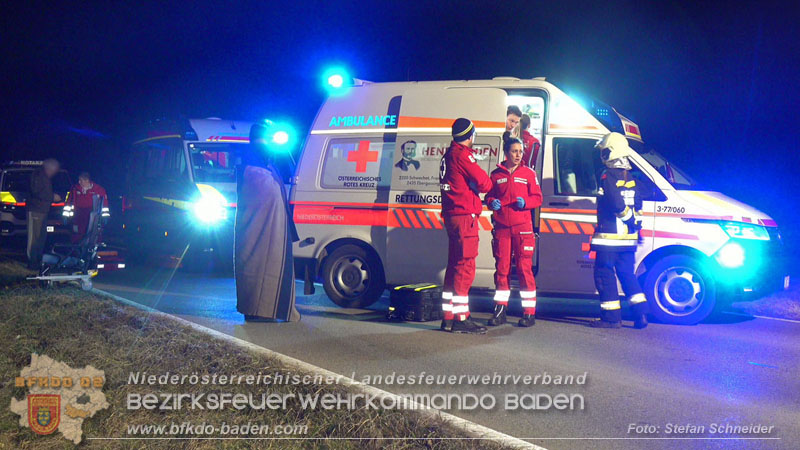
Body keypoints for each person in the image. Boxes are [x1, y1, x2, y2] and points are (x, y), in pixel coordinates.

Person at [234, 121, 301, 322]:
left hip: (273, 232)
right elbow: (266, 196)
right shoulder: (252, 171)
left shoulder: (268, 167)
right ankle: (256, 310)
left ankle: (269, 310)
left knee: (270, 267)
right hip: (256, 233)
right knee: (256, 268)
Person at [439, 118, 492, 334]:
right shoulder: (463, 155)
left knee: (454, 266)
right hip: (464, 218)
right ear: (471, 135)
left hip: (452, 215)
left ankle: (448, 317)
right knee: (465, 267)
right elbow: (485, 183)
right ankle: (461, 317)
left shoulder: (448, 154)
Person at [590, 132, 648, 329]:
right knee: (627, 274)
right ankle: (640, 315)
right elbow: (638, 204)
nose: (602, 156)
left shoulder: (606, 175)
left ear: (611, 153)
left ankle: (611, 318)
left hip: (609, 240)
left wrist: (628, 218)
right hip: (628, 239)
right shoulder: (631, 177)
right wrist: (634, 223)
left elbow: (615, 204)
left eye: (604, 151)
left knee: (604, 275)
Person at [485, 134, 543, 327]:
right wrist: (490, 202)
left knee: (525, 270)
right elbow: (489, 196)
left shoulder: (528, 174)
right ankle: (500, 310)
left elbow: (538, 198)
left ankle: (529, 313)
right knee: (502, 270)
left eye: (520, 151)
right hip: (502, 228)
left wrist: (526, 202)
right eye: (514, 151)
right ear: (506, 153)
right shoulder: (496, 174)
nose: (518, 155)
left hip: (523, 229)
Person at [27, 159, 61, 270]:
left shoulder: (44, 176)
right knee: (34, 238)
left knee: (41, 238)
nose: (54, 173)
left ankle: (37, 261)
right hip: (36, 211)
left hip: (42, 211)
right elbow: (37, 191)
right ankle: (32, 263)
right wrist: (52, 197)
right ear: (49, 168)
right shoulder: (38, 175)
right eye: (54, 170)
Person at [63, 172, 110, 243]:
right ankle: (77, 250)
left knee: (93, 235)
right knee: (77, 234)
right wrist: (65, 216)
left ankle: (91, 250)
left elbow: (104, 205)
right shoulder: (75, 189)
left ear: (87, 180)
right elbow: (68, 203)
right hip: (78, 216)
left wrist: (104, 217)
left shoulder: (99, 190)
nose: (79, 182)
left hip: (93, 216)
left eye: (81, 180)